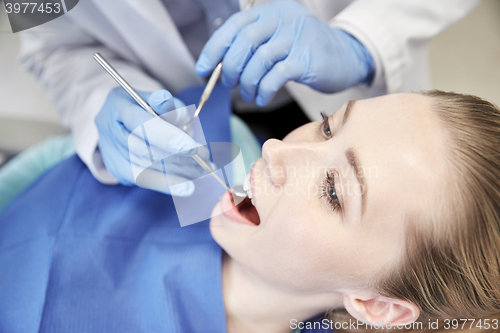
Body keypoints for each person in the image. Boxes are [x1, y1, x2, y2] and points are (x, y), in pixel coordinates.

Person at [1, 89, 500, 332]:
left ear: (378, 306)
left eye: (332, 190)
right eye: (328, 126)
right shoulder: (197, 142)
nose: (279, 149)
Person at [18, 0, 480, 197]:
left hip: (342, 77)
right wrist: (101, 99)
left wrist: (361, 42)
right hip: (183, 111)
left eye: (335, 194)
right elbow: (48, 43)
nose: (273, 151)